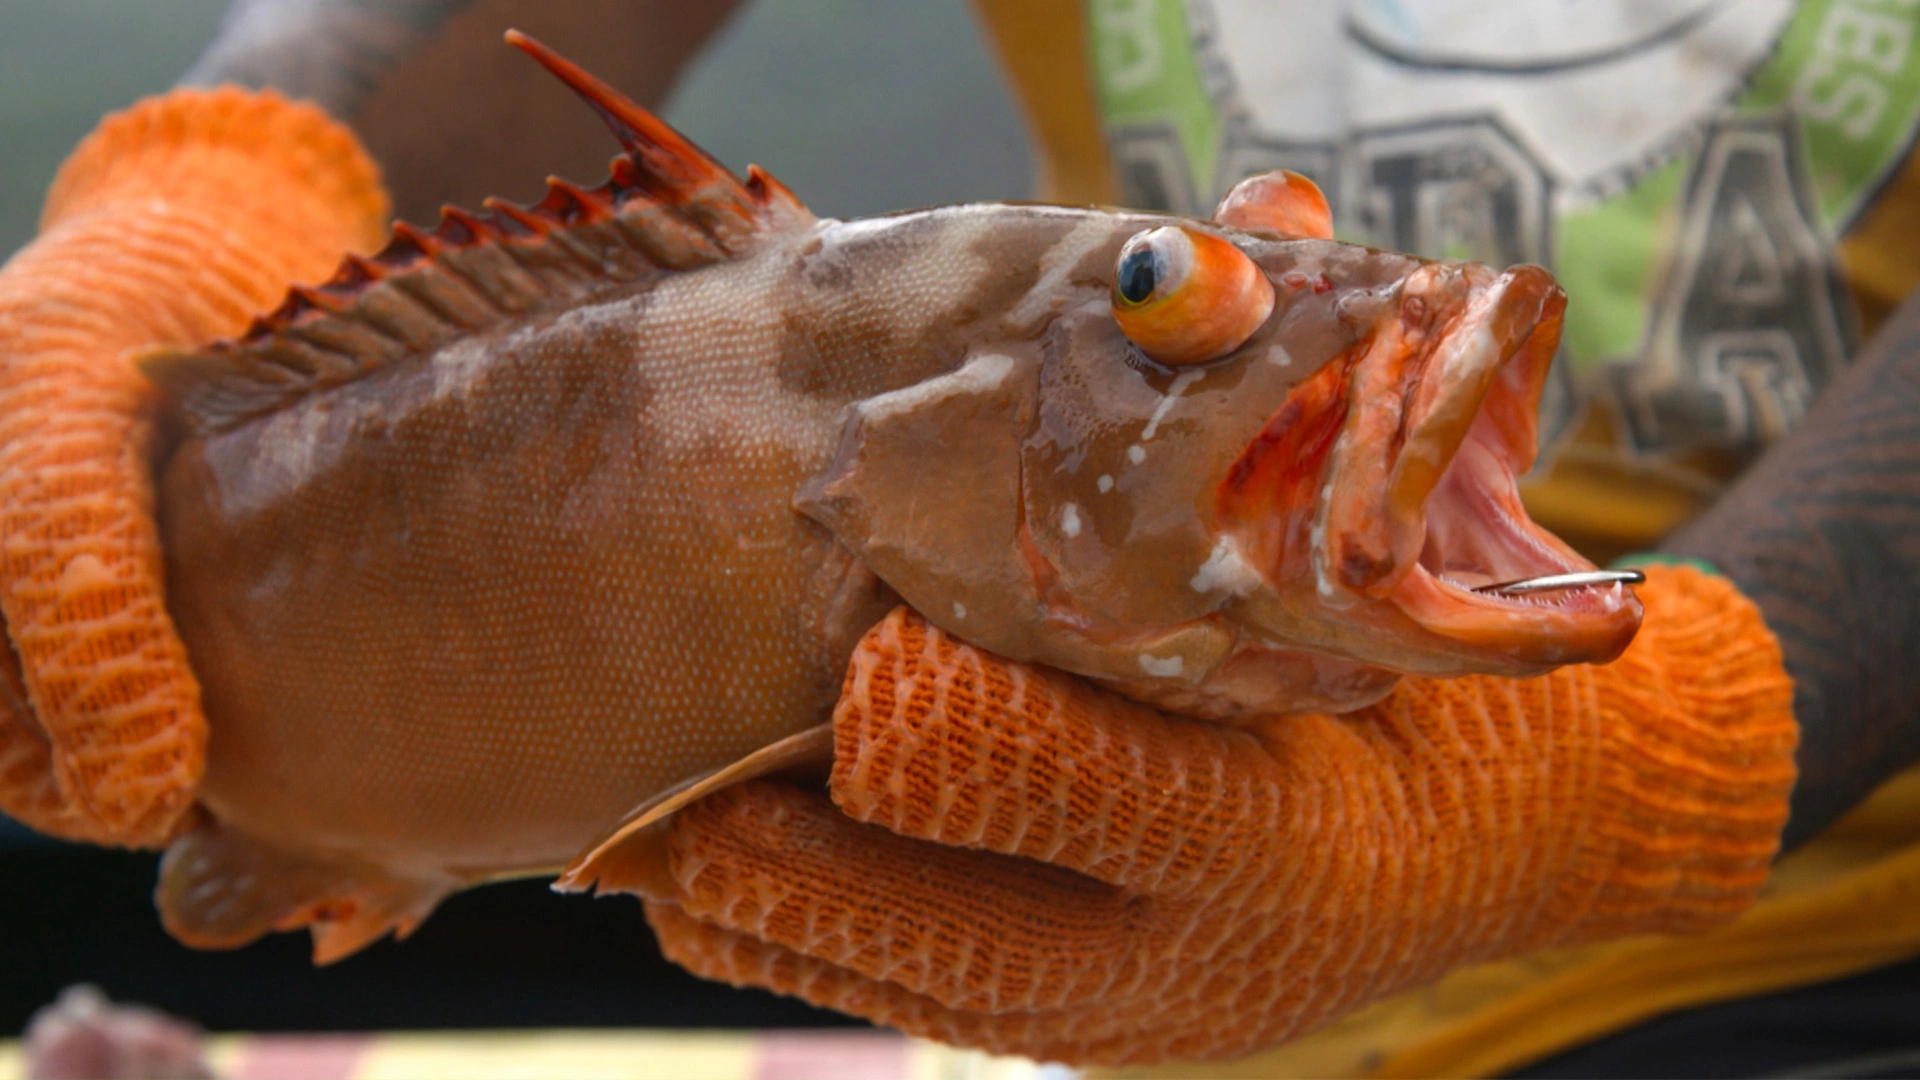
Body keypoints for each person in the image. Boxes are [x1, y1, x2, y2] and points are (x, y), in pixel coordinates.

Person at [0, 0, 1913, 1074]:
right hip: (1109, 1016)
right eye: (1186, 296)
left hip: (1823, 955)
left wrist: (1696, 740)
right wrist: (220, 166)